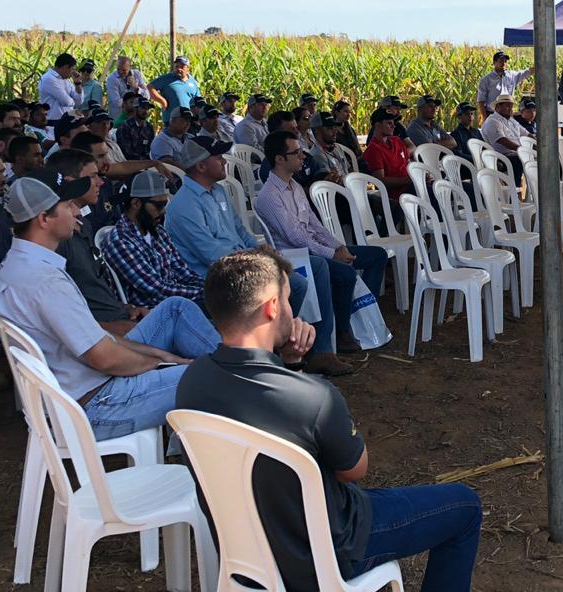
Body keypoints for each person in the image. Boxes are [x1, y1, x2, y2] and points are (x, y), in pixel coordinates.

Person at [175, 250, 482, 592]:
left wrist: (290, 363)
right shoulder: (313, 397)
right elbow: (354, 468)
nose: (294, 313)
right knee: (465, 506)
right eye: (290, 300)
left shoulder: (192, 381)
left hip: (249, 553)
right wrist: (298, 378)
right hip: (329, 549)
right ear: (272, 307)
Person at [0, 171, 221, 441]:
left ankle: (234, 366)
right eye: (68, 206)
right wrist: (159, 363)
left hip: (84, 388)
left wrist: (160, 355)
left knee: (174, 308)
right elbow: (104, 358)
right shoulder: (45, 281)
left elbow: (94, 337)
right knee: (215, 377)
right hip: (98, 404)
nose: (77, 211)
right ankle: (241, 376)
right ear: (44, 219)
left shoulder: (17, 266)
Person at [257, 131, 387, 376]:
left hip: (315, 248)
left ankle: (357, 320)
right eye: (295, 153)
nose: (302, 157)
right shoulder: (269, 196)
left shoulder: (294, 186)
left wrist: (339, 246)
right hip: (295, 256)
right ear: (279, 159)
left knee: (376, 255)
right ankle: (335, 339)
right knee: (342, 273)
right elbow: (296, 237)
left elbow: (314, 224)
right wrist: (331, 253)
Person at [164, 137, 307, 317]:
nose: (224, 161)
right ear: (201, 166)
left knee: (312, 270)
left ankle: (288, 339)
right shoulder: (184, 205)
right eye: (218, 158)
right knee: (296, 284)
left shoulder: (218, 191)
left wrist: (259, 247)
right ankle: (277, 340)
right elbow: (211, 254)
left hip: (241, 264)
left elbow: (240, 229)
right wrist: (257, 258)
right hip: (218, 277)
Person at [46, 151, 149, 333]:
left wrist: (126, 308)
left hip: (122, 317)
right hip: (104, 332)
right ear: (71, 182)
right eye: (93, 176)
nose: (101, 182)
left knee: (179, 308)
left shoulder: (84, 224)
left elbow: (94, 287)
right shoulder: (57, 240)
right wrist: (112, 327)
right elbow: (67, 318)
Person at [102, 170, 205, 309]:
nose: (163, 211)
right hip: (153, 311)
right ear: (136, 203)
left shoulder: (158, 231)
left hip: (178, 302)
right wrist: (204, 294)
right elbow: (155, 288)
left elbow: (182, 272)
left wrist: (208, 288)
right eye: (159, 205)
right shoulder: (120, 241)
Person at [363, 109, 411, 196]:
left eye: (393, 123)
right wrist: (408, 180)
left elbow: (409, 164)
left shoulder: (396, 140)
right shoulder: (373, 149)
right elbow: (381, 180)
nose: (394, 126)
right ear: (378, 125)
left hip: (410, 186)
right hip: (396, 194)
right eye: (389, 123)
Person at [476, 50, 533, 118]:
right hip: (492, 114)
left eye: (505, 61)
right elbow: (481, 101)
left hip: (508, 114)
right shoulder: (486, 80)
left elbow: (527, 72)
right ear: (494, 62)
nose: (503, 63)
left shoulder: (512, 76)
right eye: (501, 61)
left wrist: (541, 65)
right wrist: (485, 118)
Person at [480, 93, 525, 178]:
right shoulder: (493, 121)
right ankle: (515, 187)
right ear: (498, 107)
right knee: (518, 159)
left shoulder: (511, 121)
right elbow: (503, 141)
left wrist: (538, 145)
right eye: (507, 106)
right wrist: (521, 149)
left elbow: (526, 134)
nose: (510, 109)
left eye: (511, 106)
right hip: (499, 156)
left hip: (514, 153)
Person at [304, 111, 351, 187]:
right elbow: (332, 185)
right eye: (329, 128)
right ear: (317, 131)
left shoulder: (337, 147)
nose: (335, 131)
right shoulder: (316, 156)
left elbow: (348, 170)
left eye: (334, 127)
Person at [150, 55, 201, 125]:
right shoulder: (166, 78)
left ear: (188, 68)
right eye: (177, 66)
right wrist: (162, 101)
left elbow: (197, 100)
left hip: (189, 122)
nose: (179, 69)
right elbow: (150, 87)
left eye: (182, 67)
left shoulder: (193, 82)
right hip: (172, 122)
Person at [38, 52, 81, 119]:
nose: (73, 72)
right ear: (66, 67)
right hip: (53, 121)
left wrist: (78, 84)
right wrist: (73, 101)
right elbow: (65, 101)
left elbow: (79, 99)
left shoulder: (66, 80)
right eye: (72, 69)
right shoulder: (49, 78)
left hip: (66, 120)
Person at [118, 96, 157, 160]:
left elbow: (152, 148)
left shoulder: (149, 127)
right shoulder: (125, 127)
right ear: (135, 109)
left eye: (148, 109)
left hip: (148, 164)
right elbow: (126, 153)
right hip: (131, 165)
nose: (146, 111)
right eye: (143, 108)